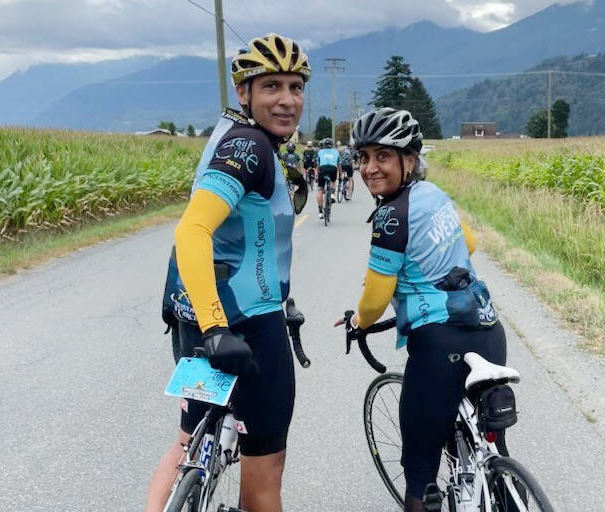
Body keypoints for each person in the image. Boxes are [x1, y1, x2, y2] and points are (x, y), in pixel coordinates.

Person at [147, 33, 311, 512]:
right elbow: (192, 230)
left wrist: (206, 322)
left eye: (296, 87)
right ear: (244, 93)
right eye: (271, 87)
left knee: (186, 445)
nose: (287, 100)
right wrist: (219, 325)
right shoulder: (251, 148)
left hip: (190, 316)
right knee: (264, 472)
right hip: (246, 324)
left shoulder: (227, 136)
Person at [336, 108, 509, 512]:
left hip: (438, 346)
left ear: (408, 161)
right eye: (364, 157)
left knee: (420, 469)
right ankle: (504, 491)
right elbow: (468, 244)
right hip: (487, 327)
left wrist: (358, 321)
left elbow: (375, 302)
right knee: (489, 440)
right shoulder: (433, 194)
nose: (369, 168)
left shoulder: (390, 218)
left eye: (383, 156)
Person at [315, 137, 341, 218]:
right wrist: (340, 175)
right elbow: (339, 165)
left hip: (323, 169)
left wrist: (317, 174)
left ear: (324, 145)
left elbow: (318, 165)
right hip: (333, 169)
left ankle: (320, 212)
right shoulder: (336, 151)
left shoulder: (320, 152)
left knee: (320, 189)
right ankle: (332, 194)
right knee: (333, 181)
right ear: (332, 145)